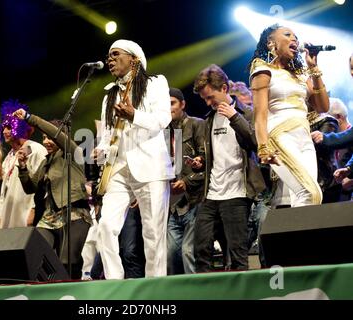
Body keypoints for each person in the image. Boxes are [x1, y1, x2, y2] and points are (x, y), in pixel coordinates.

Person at [94, 39, 174, 279]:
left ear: (134, 59)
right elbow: (107, 134)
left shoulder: (155, 83)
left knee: (153, 233)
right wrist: (100, 148)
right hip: (118, 168)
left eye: (115, 54)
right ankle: (114, 282)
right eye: (108, 55)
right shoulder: (109, 96)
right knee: (106, 226)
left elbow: (163, 119)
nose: (109, 59)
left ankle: (155, 287)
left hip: (150, 166)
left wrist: (133, 114)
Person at [191, 64, 265, 272]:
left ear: (224, 88)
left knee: (237, 254)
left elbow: (255, 143)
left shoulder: (247, 113)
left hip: (237, 193)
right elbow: (214, 155)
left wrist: (234, 117)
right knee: (201, 249)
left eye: (210, 97)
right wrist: (200, 162)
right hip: (212, 193)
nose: (208, 103)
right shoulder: (208, 120)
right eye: (205, 99)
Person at [249, 24, 329, 207]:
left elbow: (323, 107)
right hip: (280, 136)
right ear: (271, 42)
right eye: (287, 35)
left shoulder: (300, 75)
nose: (294, 39)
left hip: (305, 139)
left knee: (309, 198)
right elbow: (260, 114)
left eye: (296, 36)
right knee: (309, 193)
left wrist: (314, 68)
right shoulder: (262, 69)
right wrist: (263, 147)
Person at [13, 109, 91, 279]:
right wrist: (23, 167)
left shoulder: (73, 153)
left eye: (49, 137)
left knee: (67, 263)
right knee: (37, 255)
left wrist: (29, 118)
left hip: (74, 215)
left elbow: (54, 134)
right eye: (43, 139)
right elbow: (30, 187)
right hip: (49, 218)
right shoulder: (46, 162)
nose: (46, 141)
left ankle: (75, 291)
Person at [167, 87, 205, 275]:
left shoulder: (197, 124)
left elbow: (209, 164)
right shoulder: (162, 133)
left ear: (182, 104)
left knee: (188, 252)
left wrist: (187, 181)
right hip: (172, 205)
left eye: (172, 103)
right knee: (170, 254)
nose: (168, 108)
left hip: (194, 201)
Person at [0, 100, 47, 228]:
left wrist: (34, 210)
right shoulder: (9, 156)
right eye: (3, 128)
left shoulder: (36, 150)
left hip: (25, 214)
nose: (4, 132)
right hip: (9, 216)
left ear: (19, 128)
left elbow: (42, 184)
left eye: (9, 128)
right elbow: (4, 190)